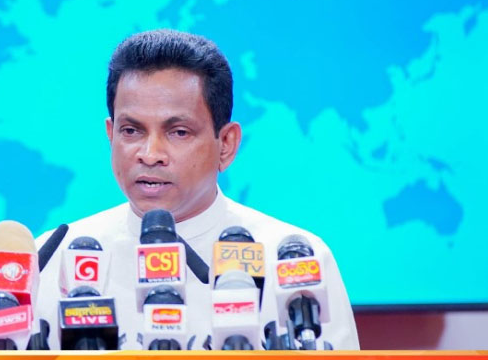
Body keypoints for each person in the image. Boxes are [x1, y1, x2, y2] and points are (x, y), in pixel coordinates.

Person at [34, 29, 359, 350]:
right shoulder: (50, 260)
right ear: (111, 134)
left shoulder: (294, 262)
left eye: (178, 132)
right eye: (131, 130)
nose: (150, 154)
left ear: (226, 144)